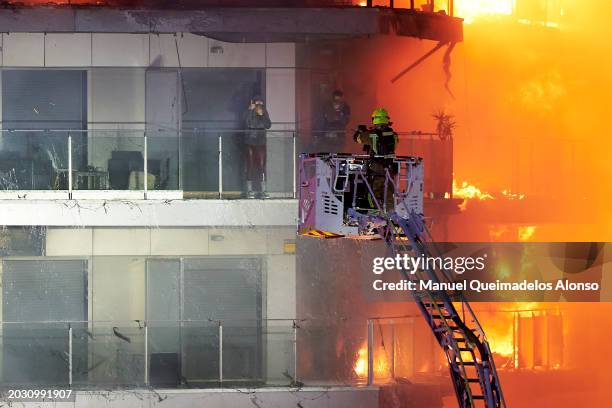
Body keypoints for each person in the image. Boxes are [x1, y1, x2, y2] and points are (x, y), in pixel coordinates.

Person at [353, 108, 398, 210]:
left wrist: (360, 131)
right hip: (390, 169)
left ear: (374, 120)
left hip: (376, 169)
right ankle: (391, 217)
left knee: (372, 194)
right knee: (389, 195)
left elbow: (357, 138)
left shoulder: (371, 134)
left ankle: (374, 215)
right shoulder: (394, 135)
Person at [244, 95, 272, 198]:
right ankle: (249, 190)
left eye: (261, 103)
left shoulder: (264, 112)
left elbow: (268, 125)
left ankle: (263, 191)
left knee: (262, 166)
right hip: (250, 142)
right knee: (250, 166)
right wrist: (250, 111)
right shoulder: (249, 111)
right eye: (257, 103)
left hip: (261, 142)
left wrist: (262, 115)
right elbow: (248, 123)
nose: (259, 105)